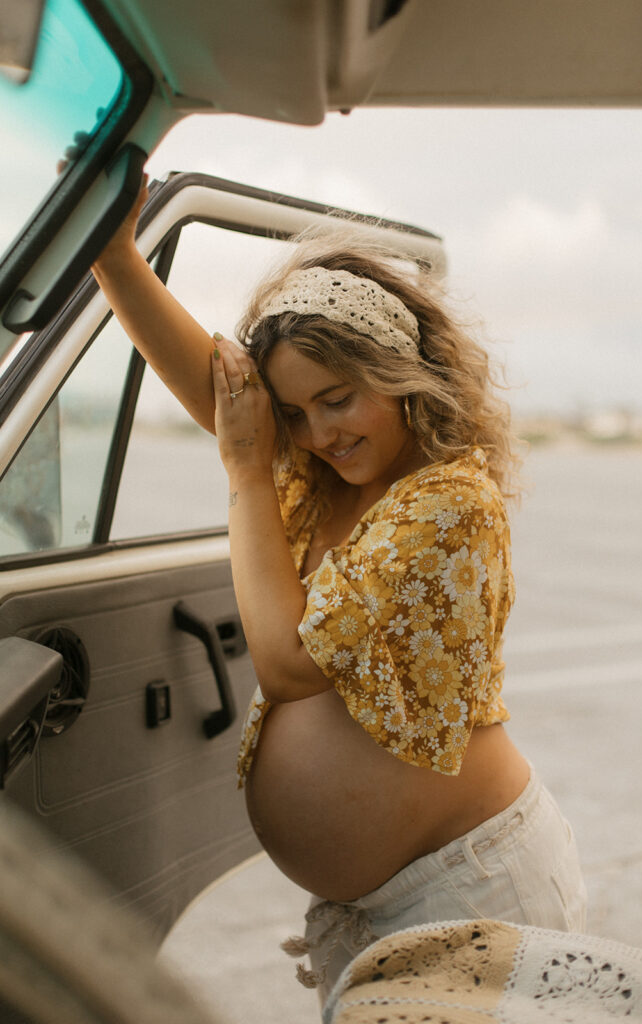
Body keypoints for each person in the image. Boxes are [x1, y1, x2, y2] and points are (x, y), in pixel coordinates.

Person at [92, 181, 586, 1008]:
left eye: (338, 399)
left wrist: (248, 470)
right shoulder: (320, 475)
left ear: (397, 378)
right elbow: (225, 400)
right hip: (386, 903)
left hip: (468, 888)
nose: (320, 433)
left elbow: (288, 667)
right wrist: (116, 259)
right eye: (295, 413)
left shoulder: (447, 500)